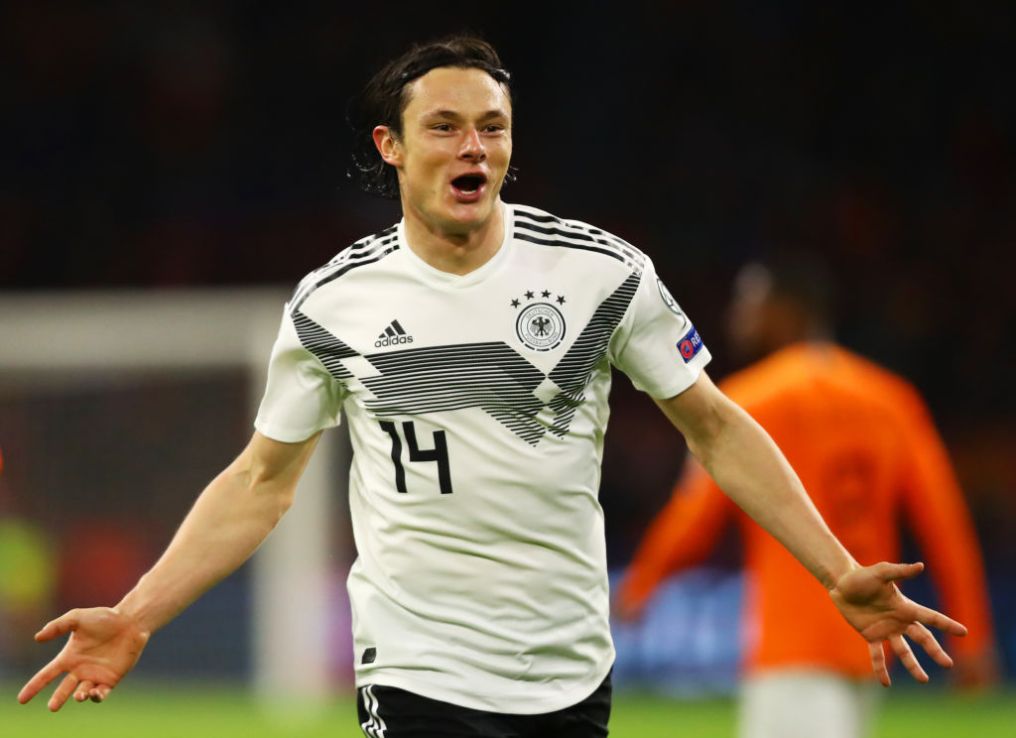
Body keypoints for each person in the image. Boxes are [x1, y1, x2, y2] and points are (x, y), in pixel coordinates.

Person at [18, 36, 968, 737]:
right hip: (416, 664)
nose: (472, 147)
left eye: (492, 128)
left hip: (567, 671)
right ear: (391, 146)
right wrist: (138, 612)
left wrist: (838, 567)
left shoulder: (605, 276)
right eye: (445, 127)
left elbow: (716, 428)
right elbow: (262, 480)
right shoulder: (334, 303)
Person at [617, 260, 998, 738]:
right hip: (870, 641)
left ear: (786, 312)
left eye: (749, 304)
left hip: (791, 645)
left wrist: (642, 584)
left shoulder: (748, 402)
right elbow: (945, 525)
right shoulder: (891, 398)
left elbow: (694, 519)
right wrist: (974, 637)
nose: (738, 316)